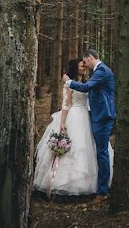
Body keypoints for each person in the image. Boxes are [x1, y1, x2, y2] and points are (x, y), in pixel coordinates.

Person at [34, 59, 112, 197]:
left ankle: (94, 184)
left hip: (87, 117)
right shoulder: (69, 84)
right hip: (74, 115)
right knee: (74, 150)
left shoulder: (86, 82)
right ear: (76, 68)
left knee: (89, 149)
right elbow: (65, 104)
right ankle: (64, 184)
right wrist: (62, 123)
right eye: (82, 65)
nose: (85, 67)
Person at [62, 48, 116, 198]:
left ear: (90, 58)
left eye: (85, 62)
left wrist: (69, 81)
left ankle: (103, 190)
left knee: (102, 152)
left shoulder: (101, 71)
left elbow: (86, 88)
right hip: (94, 116)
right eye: (82, 64)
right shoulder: (98, 72)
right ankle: (100, 187)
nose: (85, 65)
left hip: (103, 116)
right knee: (98, 151)